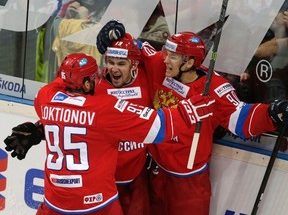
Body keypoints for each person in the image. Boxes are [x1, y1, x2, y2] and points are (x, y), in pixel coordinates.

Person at [96, 20, 288, 215]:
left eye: (172, 57)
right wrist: (117, 34)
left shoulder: (213, 88)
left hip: (187, 182)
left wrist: (273, 113)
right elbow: (139, 49)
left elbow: (241, 119)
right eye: (166, 53)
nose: (164, 60)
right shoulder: (160, 65)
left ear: (188, 63)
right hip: (153, 170)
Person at [3, 53, 215, 214]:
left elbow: (61, 92)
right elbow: (158, 129)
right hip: (97, 205)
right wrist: (190, 110)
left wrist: (39, 130)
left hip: (54, 202)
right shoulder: (104, 109)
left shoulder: (45, 98)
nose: (98, 79)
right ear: (86, 83)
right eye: (93, 77)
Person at [95, 33, 152, 215]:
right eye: (111, 62)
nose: (114, 69)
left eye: (121, 64)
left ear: (133, 65)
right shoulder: (94, 85)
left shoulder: (147, 79)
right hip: (104, 180)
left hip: (137, 177)